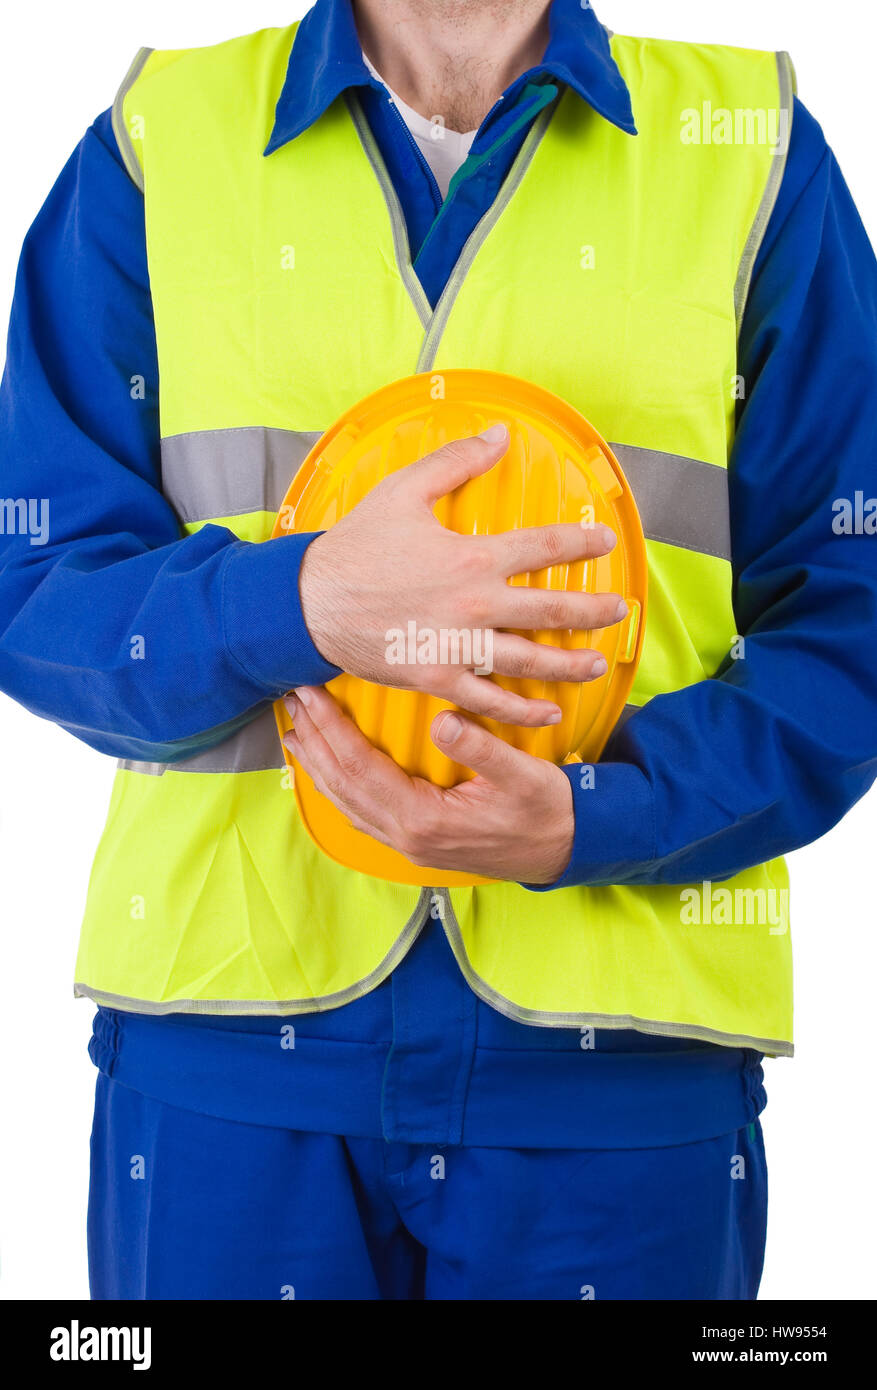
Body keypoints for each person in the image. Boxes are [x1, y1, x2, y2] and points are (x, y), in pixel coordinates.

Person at [1, 0, 876, 1301]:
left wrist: (593, 813)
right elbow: (39, 582)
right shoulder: (155, 141)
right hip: (234, 1068)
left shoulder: (745, 148)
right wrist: (298, 601)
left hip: (614, 1088)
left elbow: (849, 616)